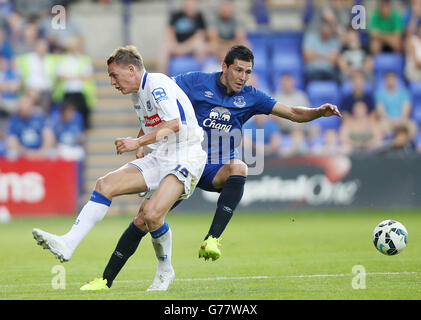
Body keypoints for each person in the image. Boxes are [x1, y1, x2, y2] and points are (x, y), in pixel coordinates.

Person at [79, 45, 342, 291]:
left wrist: (318, 112)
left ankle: (212, 239)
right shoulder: (194, 82)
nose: (243, 77)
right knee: (145, 217)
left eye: (248, 72)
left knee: (239, 166)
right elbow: (161, 106)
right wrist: (142, 140)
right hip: (180, 161)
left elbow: (293, 112)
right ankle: (105, 280)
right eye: (238, 70)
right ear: (224, 67)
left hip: (213, 169)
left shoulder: (251, 97)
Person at [32, 45, 208, 292]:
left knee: (152, 214)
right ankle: (68, 243)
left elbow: (174, 124)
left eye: (114, 75)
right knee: (105, 184)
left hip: (186, 155)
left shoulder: (156, 83)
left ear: (131, 69)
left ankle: (165, 270)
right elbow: (152, 123)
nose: (112, 82)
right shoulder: (138, 94)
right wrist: (141, 142)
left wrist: (138, 142)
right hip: (162, 154)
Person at [156, 0, 207, 74]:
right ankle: (162, 77)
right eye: (188, 4)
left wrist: (184, 48)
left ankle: (201, 76)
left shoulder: (199, 16)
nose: (190, 7)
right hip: (176, 45)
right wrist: (176, 46)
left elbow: (200, 35)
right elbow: (170, 31)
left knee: (200, 45)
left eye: (192, 4)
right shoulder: (176, 15)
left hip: (191, 46)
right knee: (163, 47)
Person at [6, 93, 54, 159]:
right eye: (21, 104)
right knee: (11, 154)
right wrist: (26, 152)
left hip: (40, 152)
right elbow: (11, 141)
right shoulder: (14, 120)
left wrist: (41, 152)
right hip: (22, 154)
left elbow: (48, 137)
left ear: (31, 106)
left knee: (53, 153)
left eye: (26, 104)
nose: (23, 107)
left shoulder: (40, 117)